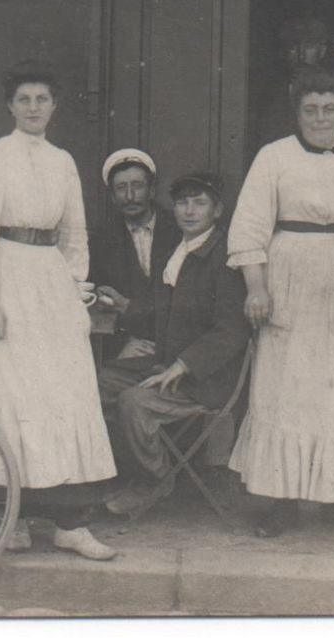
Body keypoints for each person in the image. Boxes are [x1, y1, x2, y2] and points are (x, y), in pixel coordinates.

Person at [0, 62, 118, 561]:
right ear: (10, 106)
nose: (34, 108)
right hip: (5, 281)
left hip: (49, 285)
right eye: (25, 99)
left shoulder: (63, 162)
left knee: (60, 396)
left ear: (54, 106)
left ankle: (68, 523)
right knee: (9, 398)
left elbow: (74, 234)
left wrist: (75, 293)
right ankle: (7, 517)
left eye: (43, 99)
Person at [228, 67, 334, 538]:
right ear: (298, 114)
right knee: (286, 388)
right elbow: (250, 228)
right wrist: (256, 287)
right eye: (310, 110)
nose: (320, 118)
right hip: (289, 278)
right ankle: (280, 500)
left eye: (330, 110)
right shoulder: (274, 157)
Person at [100, 171, 251, 516]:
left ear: (217, 210)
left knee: (133, 402)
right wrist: (124, 308)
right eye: (183, 202)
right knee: (95, 384)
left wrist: (183, 365)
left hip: (206, 379)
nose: (189, 211)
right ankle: (116, 474)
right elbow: (162, 315)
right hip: (166, 363)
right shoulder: (176, 252)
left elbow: (231, 331)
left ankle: (154, 479)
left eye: (200, 203)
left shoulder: (225, 258)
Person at [89, 148, 181, 362]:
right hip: (130, 349)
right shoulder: (101, 241)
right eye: (121, 188)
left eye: (137, 186)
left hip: (177, 348)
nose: (130, 196)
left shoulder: (179, 230)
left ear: (151, 191)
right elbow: (94, 303)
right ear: (112, 197)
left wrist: (127, 306)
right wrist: (120, 345)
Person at [253, 16, 334, 149]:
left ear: (322, 50)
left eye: (309, 46)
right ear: (284, 53)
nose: (301, 56)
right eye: (292, 48)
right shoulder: (270, 96)